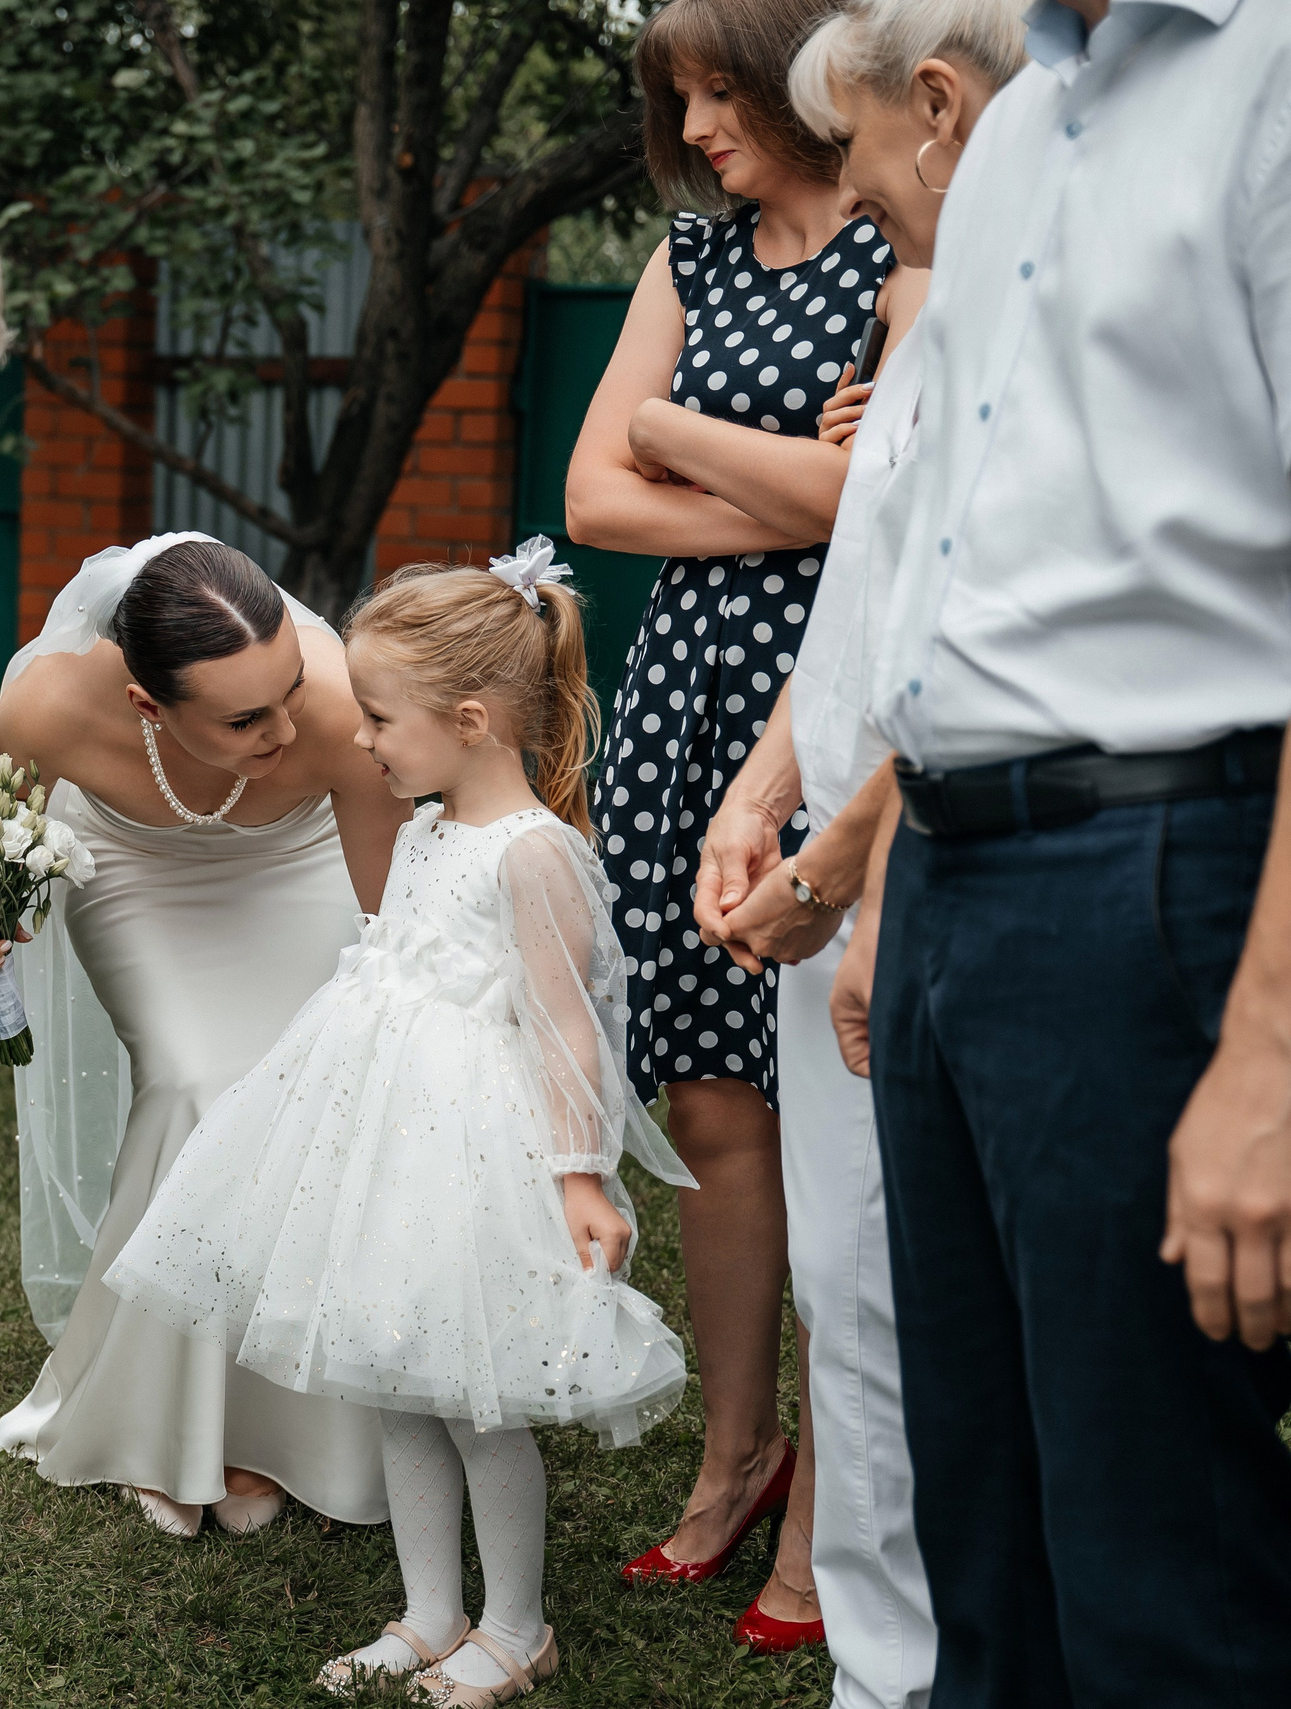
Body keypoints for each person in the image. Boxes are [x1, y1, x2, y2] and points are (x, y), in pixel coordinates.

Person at [837, 1, 1291, 1699]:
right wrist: (897, 885)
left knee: (1159, 1559)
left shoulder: (1273, 77)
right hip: (962, 882)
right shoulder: (1021, 127)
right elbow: (962, 562)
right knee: (990, 1540)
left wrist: (1270, 1050)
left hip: (1166, 872)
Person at [107, 551, 696, 1707]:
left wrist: (580, 1174)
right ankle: (430, 1610)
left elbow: (570, 1030)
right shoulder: (424, 827)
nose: (358, 737)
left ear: (468, 720)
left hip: (475, 1151)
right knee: (394, 1381)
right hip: (381, 1131)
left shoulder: (531, 852)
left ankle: (517, 1625)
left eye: (379, 717)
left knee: (474, 1401)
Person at [685, 6, 1027, 1704]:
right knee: (851, 1275)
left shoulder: (1015, 335)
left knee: (918, 1289)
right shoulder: (925, 331)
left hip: (918, 870)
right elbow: (860, 615)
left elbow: (982, 646)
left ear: (945, 112)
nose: (863, 194)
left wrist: (856, 873)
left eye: (872, 149)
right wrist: (765, 785)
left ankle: (925, 1659)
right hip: (832, 854)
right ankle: (882, 1658)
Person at [561, 0, 890, 1645]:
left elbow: (877, 507)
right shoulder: (690, 257)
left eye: (717, 88)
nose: (695, 126)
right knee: (711, 1113)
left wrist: (683, 432)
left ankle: (840, 1494)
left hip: (828, 713)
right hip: (682, 707)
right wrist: (793, 474)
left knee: (841, 1124)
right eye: (677, 97)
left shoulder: (908, 237)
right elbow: (586, 498)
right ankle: (735, 1448)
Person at [0, 534, 412, 1539]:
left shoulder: (335, 711)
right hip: (131, 862)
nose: (285, 725)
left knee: (298, 1084)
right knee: (195, 1082)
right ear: (145, 707)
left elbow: (387, 919)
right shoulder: (49, 704)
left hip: (299, 866)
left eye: (289, 686)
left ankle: (266, 1430)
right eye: (247, 716)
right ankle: (161, 1423)